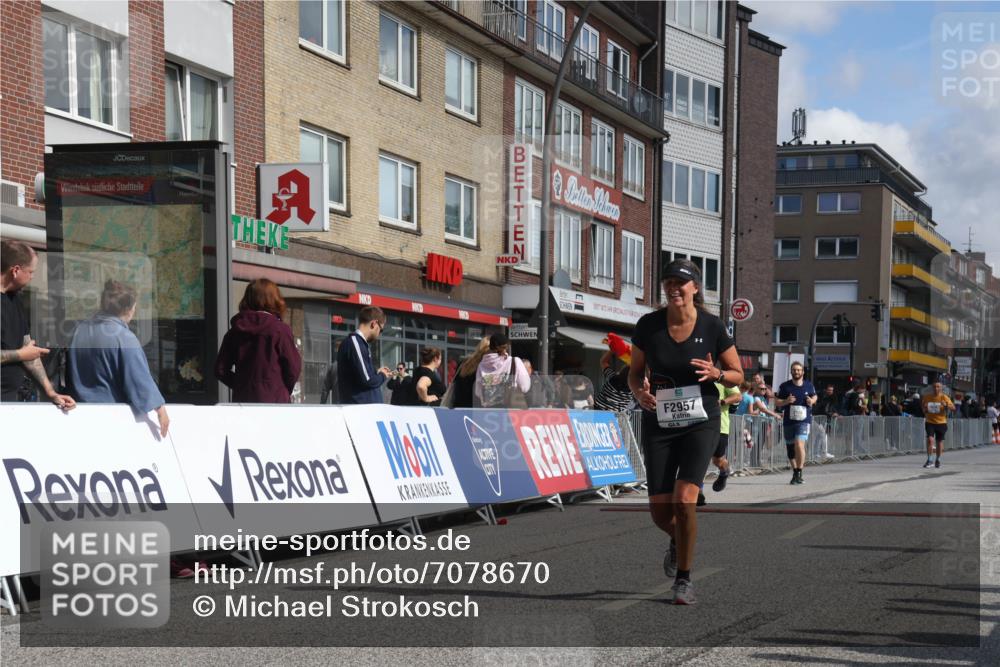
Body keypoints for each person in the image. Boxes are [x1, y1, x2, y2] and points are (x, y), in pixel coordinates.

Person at [628, 259, 743, 605]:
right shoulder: (648, 325)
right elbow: (634, 372)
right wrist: (638, 392)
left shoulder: (712, 326)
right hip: (660, 420)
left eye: (681, 282)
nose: (674, 288)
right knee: (661, 514)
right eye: (668, 282)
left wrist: (718, 374)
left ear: (695, 288)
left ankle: (684, 579)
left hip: (700, 419)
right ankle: (679, 540)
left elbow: (738, 373)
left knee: (684, 499)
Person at [66, 280, 168, 435]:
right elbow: (139, 380)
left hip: (79, 415)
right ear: (128, 309)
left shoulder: (80, 331)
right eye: (135, 306)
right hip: (113, 418)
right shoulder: (124, 337)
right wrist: (160, 409)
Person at [0, 240, 75, 410]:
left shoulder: (14, 299)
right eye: (31, 272)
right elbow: (25, 353)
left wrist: (51, 393)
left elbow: (28, 350)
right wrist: (20, 354)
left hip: (9, 401)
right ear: (16, 270)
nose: (32, 277)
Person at [215, 279, 301, 403]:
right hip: (275, 403)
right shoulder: (280, 330)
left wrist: (241, 385)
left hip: (243, 403)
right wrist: (279, 389)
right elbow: (293, 369)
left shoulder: (235, 331)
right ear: (275, 300)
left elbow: (220, 369)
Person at [336, 306, 391, 404]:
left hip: (363, 409)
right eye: (381, 330)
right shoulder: (355, 343)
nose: (379, 334)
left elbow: (361, 376)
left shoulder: (359, 343)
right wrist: (383, 375)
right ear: (374, 324)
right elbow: (367, 380)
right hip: (361, 410)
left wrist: (376, 373)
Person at [774, 361, 818, 485]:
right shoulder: (784, 386)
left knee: (799, 444)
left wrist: (811, 401)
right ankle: (795, 472)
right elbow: (776, 401)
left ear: (803, 372)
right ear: (791, 371)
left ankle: (799, 471)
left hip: (804, 420)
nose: (796, 372)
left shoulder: (808, 385)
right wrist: (786, 401)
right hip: (789, 420)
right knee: (790, 449)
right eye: (794, 370)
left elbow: (815, 397)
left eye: (799, 370)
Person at [475, 332, 530, 408]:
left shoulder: (481, 365)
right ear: (505, 347)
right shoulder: (514, 362)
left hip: (488, 413)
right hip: (510, 410)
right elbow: (525, 387)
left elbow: (478, 392)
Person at [710, 380, 743, 494]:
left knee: (718, 460)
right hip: (696, 425)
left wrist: (723, 401)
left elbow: (738, 396)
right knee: (697, 459)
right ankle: (698, 491)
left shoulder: (721, 379)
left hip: (720, 426)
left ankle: (724, 472)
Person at [447, 337, 490, 408]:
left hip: (458, 407)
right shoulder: (484, 367)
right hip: (475, 410)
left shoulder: (464, 362)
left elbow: (456, 383)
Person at [921, 381, 955, 468]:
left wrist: (946, 405)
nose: (936, 388)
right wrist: (925, 409)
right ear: (932, 388)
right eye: (935, 387)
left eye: (938, 387)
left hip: (941, 422)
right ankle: (929, 460)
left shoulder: (944, 397)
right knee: (930, 440)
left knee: (939, 442)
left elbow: (953, 408)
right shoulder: (927, 397)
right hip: (930, 422)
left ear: (941, 388)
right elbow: (923, 408)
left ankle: (938, 459)